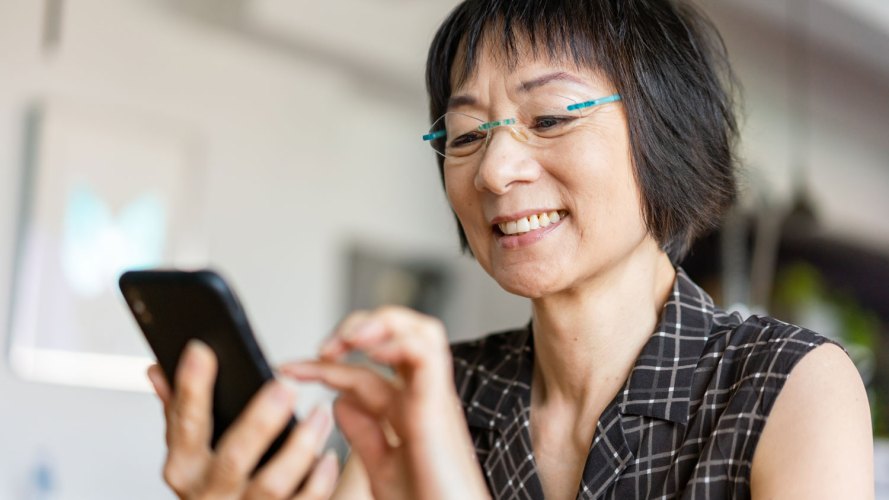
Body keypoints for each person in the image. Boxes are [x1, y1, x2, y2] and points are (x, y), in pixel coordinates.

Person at [146, 0, 875, 498]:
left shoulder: (787, 385)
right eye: (464, 135)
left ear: (669, 133)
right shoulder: (439, 395)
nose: (493, 172)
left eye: (550, 117)